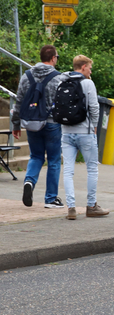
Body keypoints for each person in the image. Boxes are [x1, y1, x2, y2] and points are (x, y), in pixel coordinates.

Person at [11, 45, 64, 209]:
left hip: (32, 123)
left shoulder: (26, 76)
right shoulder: (58, 78)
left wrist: (16, 124)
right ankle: (50, 199)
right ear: (53, 58)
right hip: (52, 124)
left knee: (36, 157)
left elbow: (19, 101)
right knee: (54, 160)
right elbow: (63, 103)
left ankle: (29, 181)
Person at [60, 55, 108, 220]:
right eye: (89, 67)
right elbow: (94, 107)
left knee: (68, 171)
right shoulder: (88, 83)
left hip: (66, 132)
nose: (91, 70)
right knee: (92, 169)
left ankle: (71, 208)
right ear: (82, 67)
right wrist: (94, 127)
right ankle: (91, 206)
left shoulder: (61, 81)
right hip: (85, 132)